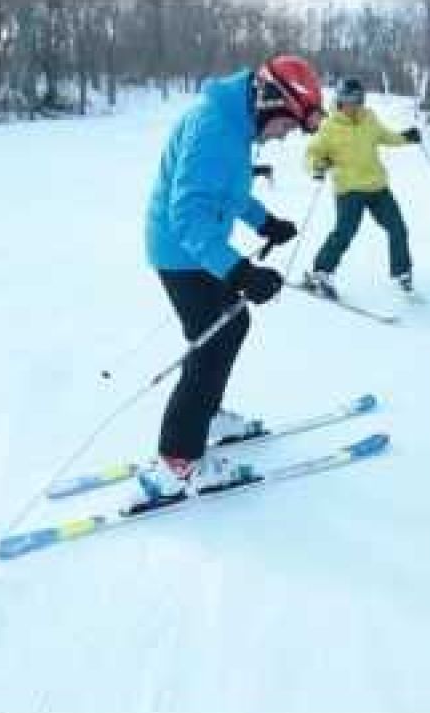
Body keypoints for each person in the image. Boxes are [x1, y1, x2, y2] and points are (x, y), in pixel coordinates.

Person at [133, 55, 324, 511]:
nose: (283, 137)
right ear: (269, 101)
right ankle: (176, 463)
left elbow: (231, 191)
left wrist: (265, 222)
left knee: (230, 327)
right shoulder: (215, 130)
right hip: (182, 254)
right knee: (212, 342)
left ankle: (208, 417)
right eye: (286, 126)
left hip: (197, 250)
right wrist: (239, 271)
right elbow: (188, 215)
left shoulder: (234, 124)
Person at [302, 77, 421, 298]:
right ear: (340, 100)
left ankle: (402, 272)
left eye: (358, 100)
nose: (354, 105)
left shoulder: (369, 118)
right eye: (349, 100)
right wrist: (317, 167)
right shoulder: (329, 126)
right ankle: (320, 272)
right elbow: (312, 154)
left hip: (377, 186)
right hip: (349, 190)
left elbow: (386, 136)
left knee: (397, 227)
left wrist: (406, 137)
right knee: (344, 232)